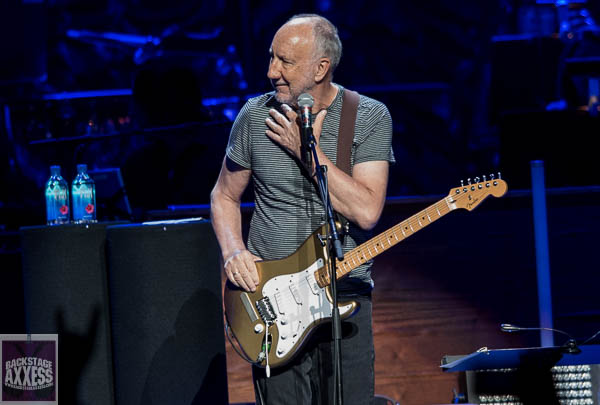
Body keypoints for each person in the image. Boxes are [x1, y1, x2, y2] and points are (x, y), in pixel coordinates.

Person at [210, 13, 394, 405]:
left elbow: (366, 211)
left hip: (344, 295)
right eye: (271, 58)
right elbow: (224, 196)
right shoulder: (255, 116)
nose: (271, 71)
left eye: (285, 62)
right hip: (272, 305)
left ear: (320, 68)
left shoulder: (368, 116)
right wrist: (233, 250)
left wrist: (306, 153)